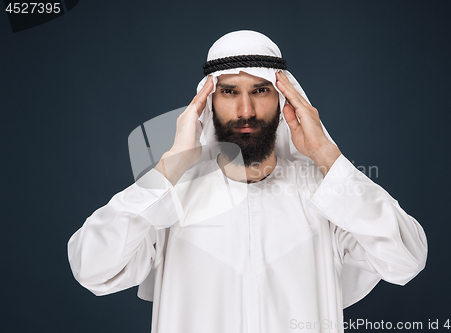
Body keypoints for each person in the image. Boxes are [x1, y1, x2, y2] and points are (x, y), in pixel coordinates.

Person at [68, 30, 427, 333]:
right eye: (228, 92)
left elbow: (406, 259)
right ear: (207, 103)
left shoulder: (324, 196)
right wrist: (167, 170)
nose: (245, 111)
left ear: (283, 99)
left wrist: (327, 157)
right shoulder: (171, 202)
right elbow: (93, 268)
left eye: (259, 90)